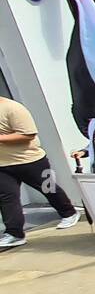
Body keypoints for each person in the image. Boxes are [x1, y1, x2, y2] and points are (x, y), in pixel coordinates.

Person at [0, 95, 80, 248]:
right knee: (7, 198)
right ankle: (14, 234)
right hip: (2, 164)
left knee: (49, 188)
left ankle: (69, 213)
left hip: (30, 160)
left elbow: (27, 135)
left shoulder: (13, 108)